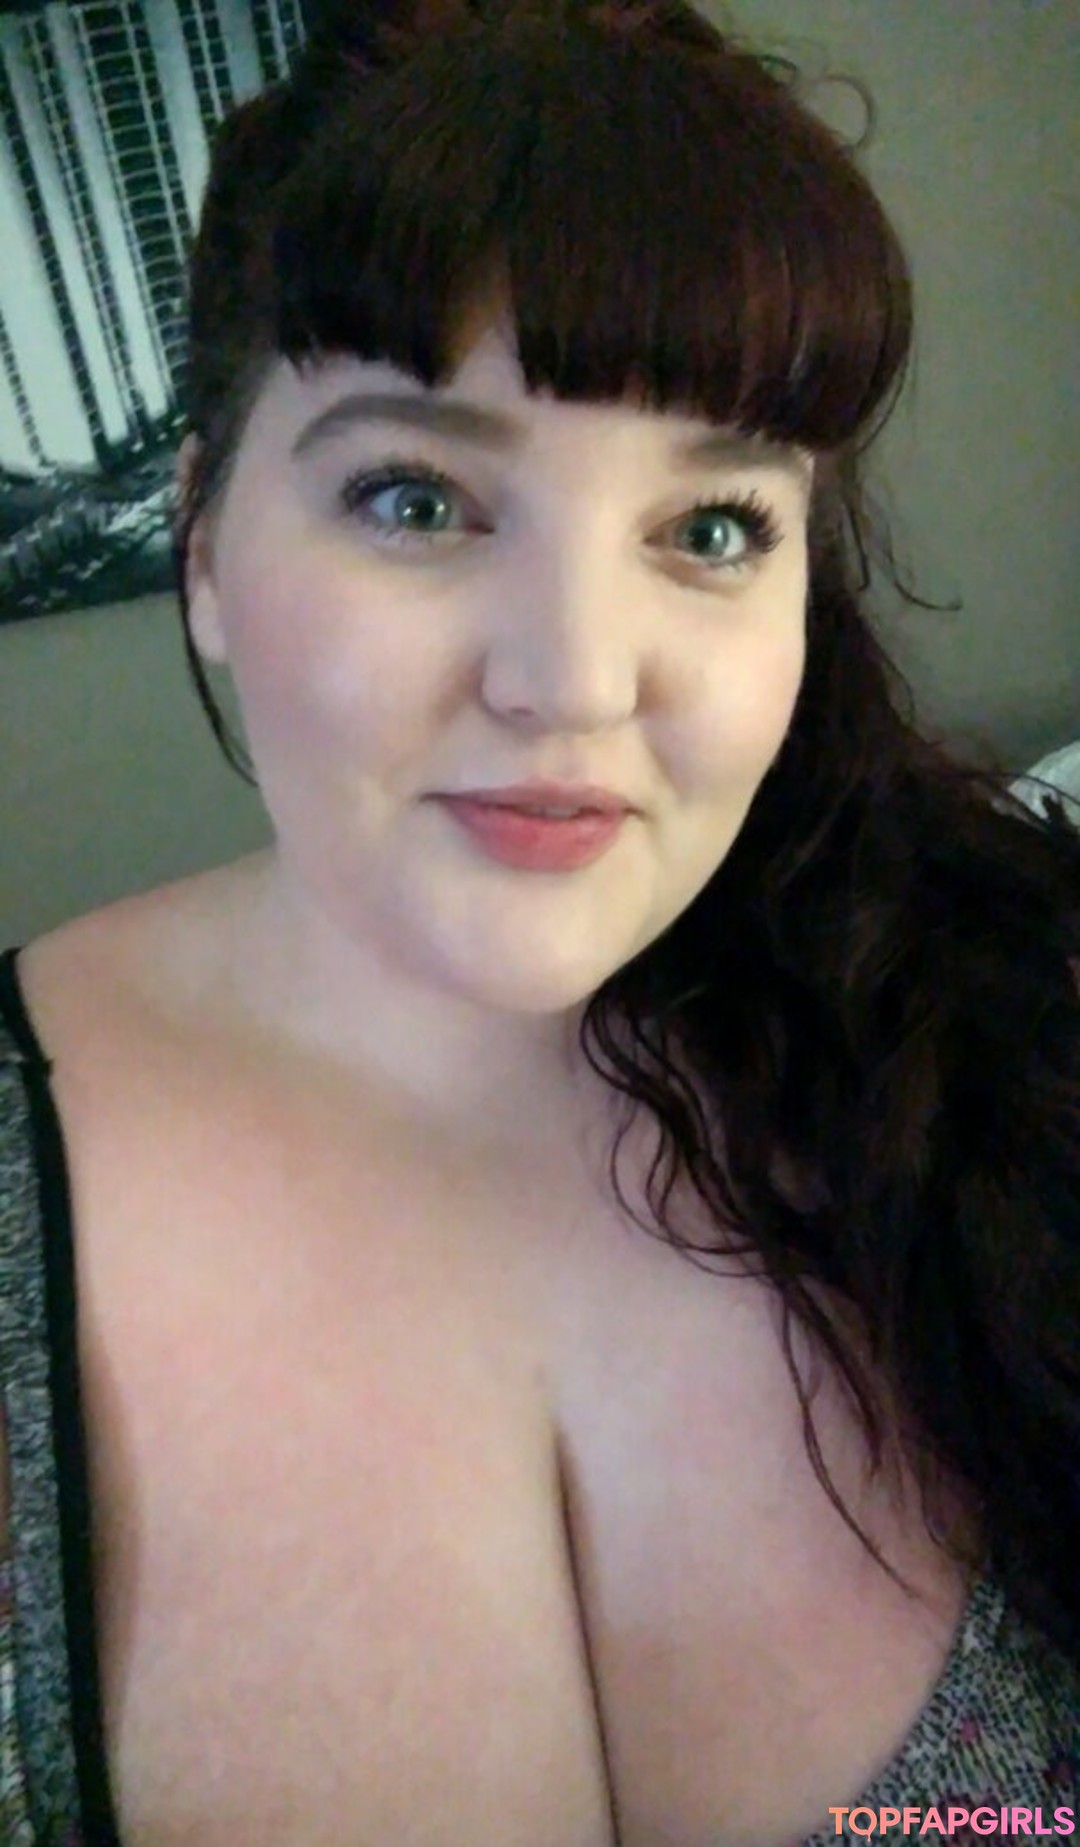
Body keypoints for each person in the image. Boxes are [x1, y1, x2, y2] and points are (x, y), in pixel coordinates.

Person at [2, 1, 1078, 1841]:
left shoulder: (1011, 1021)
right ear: (203, 550)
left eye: (712, 529)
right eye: (416, 497)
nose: (577, 681)